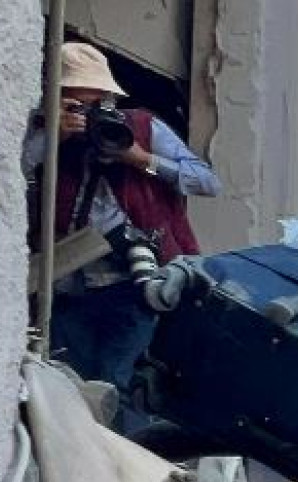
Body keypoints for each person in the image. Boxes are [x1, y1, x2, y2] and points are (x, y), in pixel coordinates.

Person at [24, 42, 220, 417]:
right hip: (71, 286)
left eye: (97, 104)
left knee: (115, 383)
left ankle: (122, 465)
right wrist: (54, 133)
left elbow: (207, 182)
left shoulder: (142, 127)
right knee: (70, 388)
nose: (91, 116)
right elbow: (11, 168)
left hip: (134, 281)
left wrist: (139, 159)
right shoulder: (47, 132)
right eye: (77, 104)